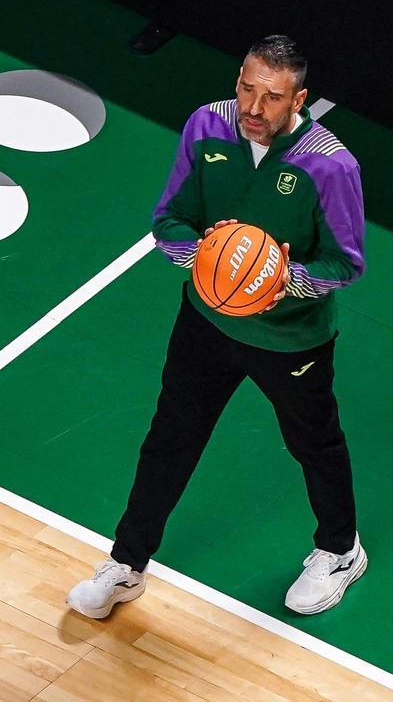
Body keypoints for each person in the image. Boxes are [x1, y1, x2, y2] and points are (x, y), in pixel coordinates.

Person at [67, 35, 366, 619]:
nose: (255, 109)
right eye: (247, 90)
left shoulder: (330, 166)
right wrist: (206, 258)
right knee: (169, 438)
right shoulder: (207, 127)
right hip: (204, 324)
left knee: (313, 444)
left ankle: (338, 551)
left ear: (298, 98)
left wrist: (279, 280)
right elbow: (171, 220)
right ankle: (127, 563)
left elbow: (345, 264)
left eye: (273, 97)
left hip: (289, 340)